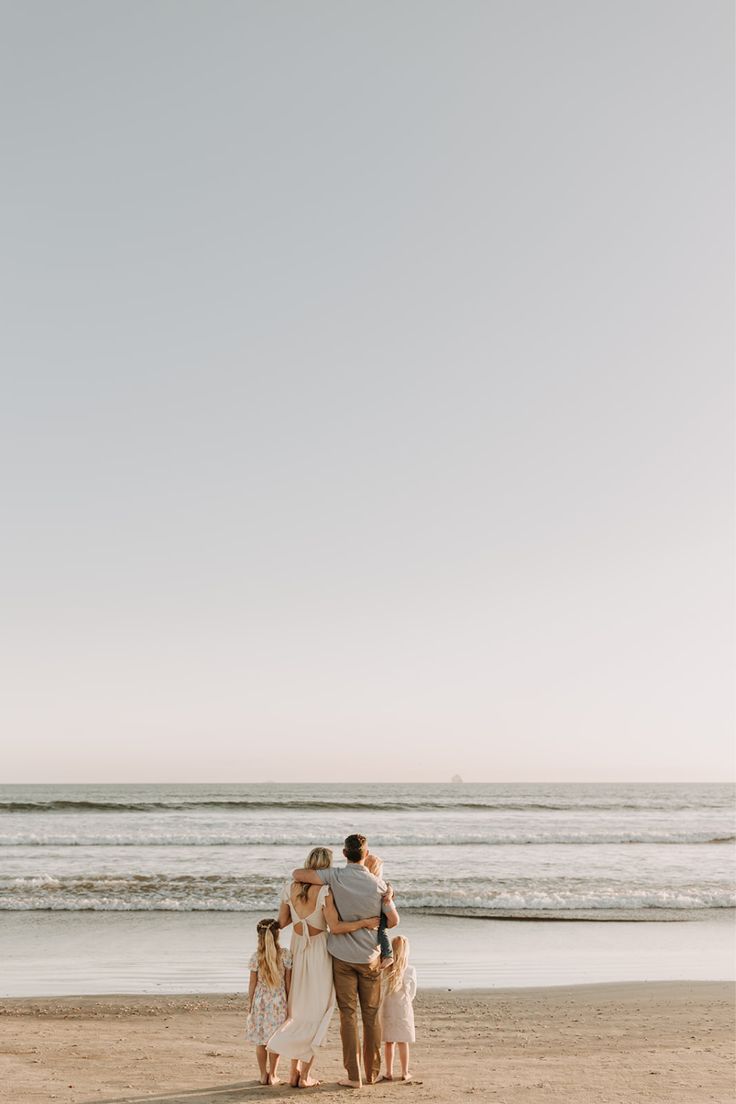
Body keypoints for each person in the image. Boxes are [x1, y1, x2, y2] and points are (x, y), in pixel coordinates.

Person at [268, 846, 380, 1088]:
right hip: (319, 953)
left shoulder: (289, 888)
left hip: (298, 950)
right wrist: (366, 922)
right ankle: (305, 1075)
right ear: (327, 866)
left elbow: (283, 922)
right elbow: (336, 927)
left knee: (298, 1010)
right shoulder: (325, 891)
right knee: (321, 1012)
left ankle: (293, 1073)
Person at [292, 833, 400, 1087]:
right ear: (366, 853)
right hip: (369, 958)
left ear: (344, 854)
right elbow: (393, 922)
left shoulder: (335, 876)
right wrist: (388, 896)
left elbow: (297, 874)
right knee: (371, 1016)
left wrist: (325, 873)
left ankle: (353, 1077)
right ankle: (371, 1074)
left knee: (348, 1016)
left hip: (341, 957)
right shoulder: (378, 885)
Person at [245, 917, 292, 1085]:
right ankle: (273, 1075)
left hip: (260, 1002)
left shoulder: (256, 957)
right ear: (277, 935)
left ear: (259, 936)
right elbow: (288, 983)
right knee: (274, 1040)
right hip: (278, 1002)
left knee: (260, 1040)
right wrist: (289, 1003)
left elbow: (252, 983)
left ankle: (262, 1074)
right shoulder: (285, 954)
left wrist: (251, 1003)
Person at [380, 935, 417, 1082]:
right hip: (403, 1009)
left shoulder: (386, 968)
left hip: (388, 1007)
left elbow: (381, 987)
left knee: (389, 1042)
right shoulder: (410, 969)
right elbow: (412, 992)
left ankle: (388, 1072)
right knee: (403, 1041)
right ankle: (404, 1072)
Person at [364, 853, 393, 967]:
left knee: (381, 931)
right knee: (381, 931)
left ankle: (387, 955)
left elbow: (389, 887)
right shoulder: (375, 883)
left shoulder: (380, 883)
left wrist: (390, 894)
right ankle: (386, 955)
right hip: (376, 912)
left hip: (379, 913)